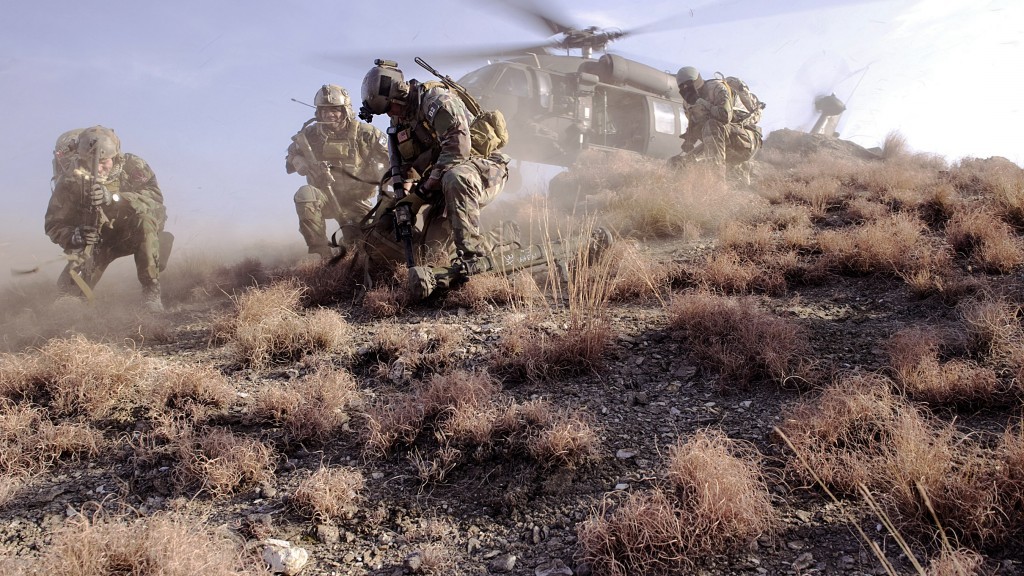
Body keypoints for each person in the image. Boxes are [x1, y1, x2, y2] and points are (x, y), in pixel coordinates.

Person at [357, 60, 512, 266]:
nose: (390, 114)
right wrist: (403, 202)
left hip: (481, 171)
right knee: (433, 254)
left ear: (399, 92)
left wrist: (420, 196)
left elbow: (458, 149)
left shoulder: (436, 100)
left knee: (456, 176)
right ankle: (493, 239)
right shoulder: (400, 121)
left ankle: (476, 255)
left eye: (389, 107)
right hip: (441, 186)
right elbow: (407, 170)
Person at [44, 125, 172, 311]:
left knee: (144, 220)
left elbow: (154, 198)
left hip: (132, 233)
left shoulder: (132, 166)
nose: (99, 168)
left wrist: (114, 198)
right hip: (97, 241)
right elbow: (53, 224)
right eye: (91, 162)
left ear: (115, 157)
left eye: (104, 162)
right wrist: (75, 236)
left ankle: (151, 293)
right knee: (66, 295)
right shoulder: (70, 181)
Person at [286, 84, 389, 259]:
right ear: (318, 113)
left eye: (334, 110)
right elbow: (291, 157)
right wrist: (299, 162)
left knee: (368, 245)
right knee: (305, 195)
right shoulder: (310, 135)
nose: (329, 115)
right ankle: (322, 253)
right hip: (324, 197)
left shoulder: (365, 134)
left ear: (345, 111)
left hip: (357, 201)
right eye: (324, 110)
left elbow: (390, 160)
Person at [672, 66, 763, 183]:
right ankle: (737, 170)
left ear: (696, 81)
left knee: (712, 125)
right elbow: (695, 124)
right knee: (679, 163)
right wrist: (689, 141)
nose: (685, 89)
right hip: (722, 143)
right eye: (682, 87)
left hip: (746, 140)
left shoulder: (716, 88)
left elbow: (725, 116)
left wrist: (701, 103)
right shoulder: (687, 103)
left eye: (688, 84)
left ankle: (717, 183)